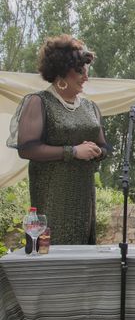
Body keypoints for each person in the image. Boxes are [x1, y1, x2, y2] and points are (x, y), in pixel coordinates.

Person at [6, 34, 109, 245]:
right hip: (52, 195)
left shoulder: (90, 107)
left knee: (81, 255)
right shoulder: (39, 102)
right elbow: (27, 148)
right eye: (80, 71)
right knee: (52, 252)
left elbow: (103, 145)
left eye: (87, 71)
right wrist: (72, 152)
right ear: (61, 71)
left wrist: (98, 152)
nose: (86, 77)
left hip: (82, 196)